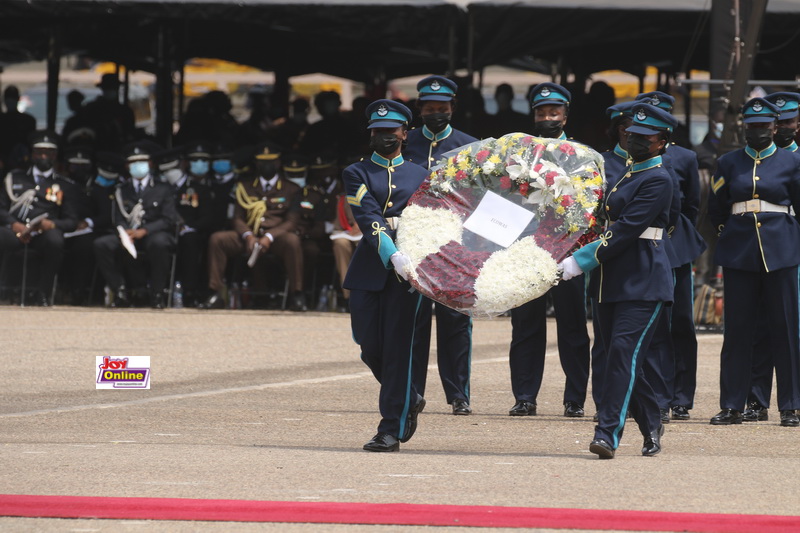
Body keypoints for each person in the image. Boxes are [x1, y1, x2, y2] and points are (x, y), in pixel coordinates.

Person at [560, 102, 676, 459]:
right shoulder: (625, 175)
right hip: (611, 281)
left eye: (646, 137)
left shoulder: (658, 179)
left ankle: (607, 432)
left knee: (623, 354)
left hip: (644, 280)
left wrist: (580, 260)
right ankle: (651, 416)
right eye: (632, 135)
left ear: (662, 142)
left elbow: (625, 231)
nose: (636, 141)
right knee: (616, 358)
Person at [344, 99, 431, 452]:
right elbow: (368, 217)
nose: (384, 136)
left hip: (408, 274)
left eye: (390, 131)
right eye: (378, 131)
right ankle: (409, 394)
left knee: (397, 351)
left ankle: (390, 428)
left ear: (404, 133)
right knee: (369, 346)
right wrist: (390, 252)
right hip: (371, 267)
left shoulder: (421, 174)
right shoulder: (356, 172)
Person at [708, 97, 800, 428]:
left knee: (786, 330)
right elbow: (716, 208)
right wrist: (729, 236)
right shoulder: (729, 162)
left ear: (775, 127)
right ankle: (733, 404)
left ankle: (791, 405)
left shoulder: (793, 162)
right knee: (737, 332)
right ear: (744, 127)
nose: (758, 131)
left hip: (783, 252)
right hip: (739, 253)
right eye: (752, 126)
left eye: (764, 127)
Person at [506, 82, 592, 419]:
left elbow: (590, 204)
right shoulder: (517, 154)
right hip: (527, 250)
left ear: (565, 115)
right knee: (526, 325)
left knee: (572, 326)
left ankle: (575, 398)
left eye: (553, 112)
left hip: (567, 251)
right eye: (541, 112)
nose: (547, 118)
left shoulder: (581, 155)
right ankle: (525, 396)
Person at [404, 75, 477, 416]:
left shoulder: (471, 146)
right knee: (414, 322)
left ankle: (458, 394)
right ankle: (412, 390)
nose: (436, 113)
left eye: (442, 108)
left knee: (455, 322)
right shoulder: (406, 143)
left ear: (453, 108)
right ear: (419, 109)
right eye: (429, 108)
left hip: (455, 246)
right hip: (414, 242)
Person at [634, 91, 707, 422]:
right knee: (651, 327)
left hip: (674, 248)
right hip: (641, 249)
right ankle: (652, 395)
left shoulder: (685, 158)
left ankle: (681, 397)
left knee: (680, 323)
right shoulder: (630, 157)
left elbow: (691, 205)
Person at [743, 91, 800, 422]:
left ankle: (791, 401)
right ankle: (756, 399)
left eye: (791, 120)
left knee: (789, 329)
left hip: (789, 248)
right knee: (762, 327)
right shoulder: (760, 158)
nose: (787, 127)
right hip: (768, 250)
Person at [199, 141, 307, 311]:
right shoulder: (244, 187)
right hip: (249, 236)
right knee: (217, 239)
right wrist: (248, 235)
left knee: (293, 241)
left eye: (271, 161)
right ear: (256, 163)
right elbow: (237, 218)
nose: (267, 165)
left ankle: (297, 294)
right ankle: (215, 293)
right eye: (263, 162)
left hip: (276, 237)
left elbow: (292, 221)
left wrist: (269, 237)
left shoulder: (291, 188)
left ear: (278, 163)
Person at [93, 141, 178, 309]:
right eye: (133, 163)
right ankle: (120, 290)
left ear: (150, 164)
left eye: (142, 162)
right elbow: (117, 217)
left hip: (153, 233)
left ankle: (157, 293)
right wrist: (125, 233)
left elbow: (168, 219)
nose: (138, 166)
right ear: (127, 166)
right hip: (128, 234)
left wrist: (145, 231)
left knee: (159, 243)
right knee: (101, 244)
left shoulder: (163, 188)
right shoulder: (121, 189)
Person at [0, 130, 78, 306]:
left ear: (55, 155)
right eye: (39, 152)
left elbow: (71, 221)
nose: (43, 156)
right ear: (32, 154)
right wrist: (13, 224)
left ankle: (43, 293)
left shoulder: (65, 184)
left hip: (42, 234)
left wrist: (51, 224)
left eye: (48, 152)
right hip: (15, 232)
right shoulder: (15, 178)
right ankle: (4, 290)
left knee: (55, 241)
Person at [170, 143, 215, 307]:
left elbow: (211, 216)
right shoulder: (180, 186)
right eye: (196, 160)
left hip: (204, 232)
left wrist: (192, 227)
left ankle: (195, 291)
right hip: (181, 232)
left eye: (204, 160)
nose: (200, 164)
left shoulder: (214, 184)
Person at [83, 74, 135, 152]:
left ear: (117, 89)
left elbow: (129, 134)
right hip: (96, 151)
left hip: (119, 152)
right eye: (108, 88)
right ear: (103, 89)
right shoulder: (92, 109)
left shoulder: (125, 111)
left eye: (112, 88)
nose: (110, 90)